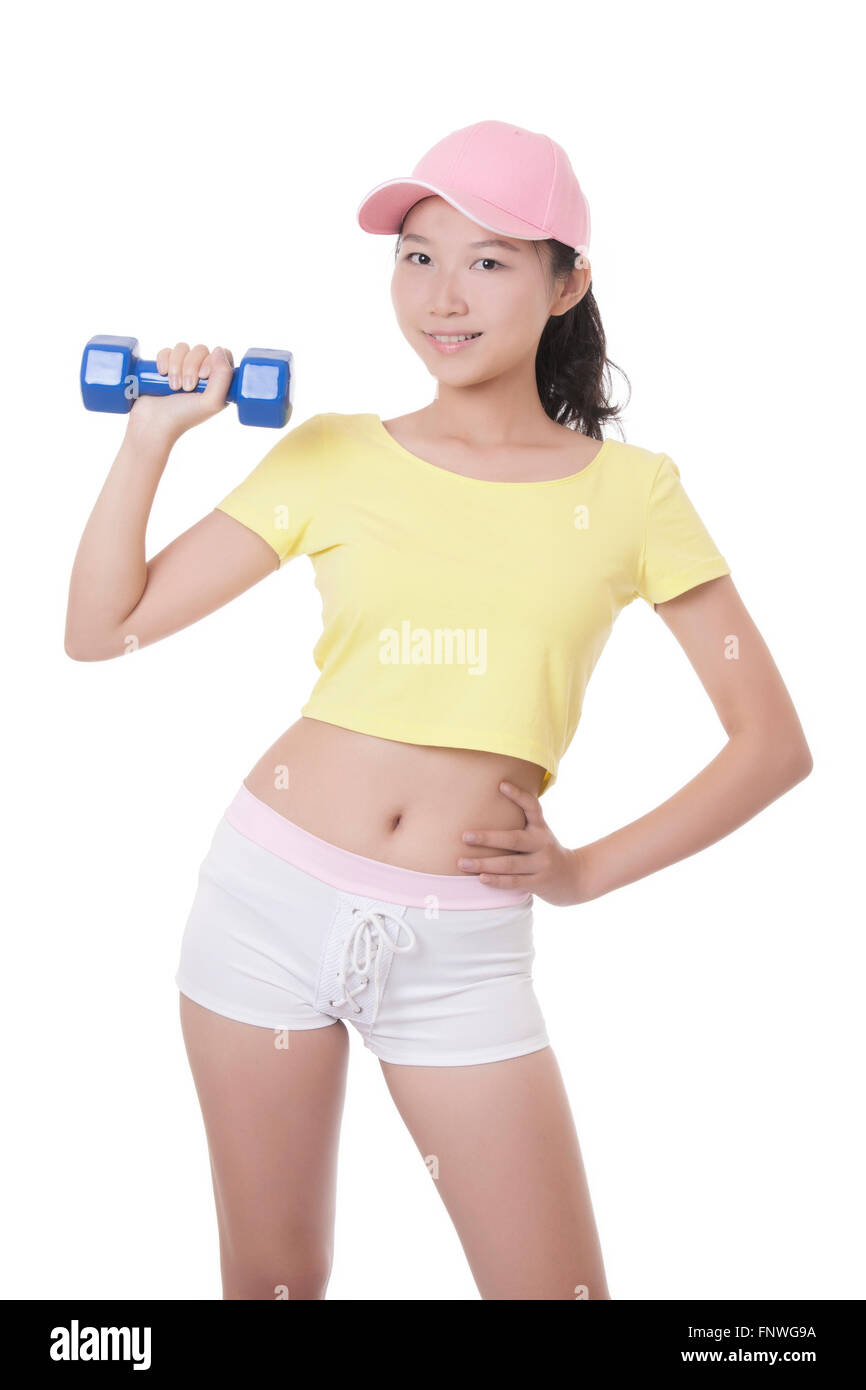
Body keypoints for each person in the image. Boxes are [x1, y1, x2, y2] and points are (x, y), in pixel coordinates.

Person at [65, 120, 813, 1301]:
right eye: (415, 257)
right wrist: (150, 440)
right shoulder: (333, 454)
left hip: (460, 948)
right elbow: (104, 631)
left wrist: (581, 872)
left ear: (567, 281)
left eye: (487, 260)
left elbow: (770, 744)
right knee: (272, 1283)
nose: (439, 296)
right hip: (265, 898)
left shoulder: (633, 495)